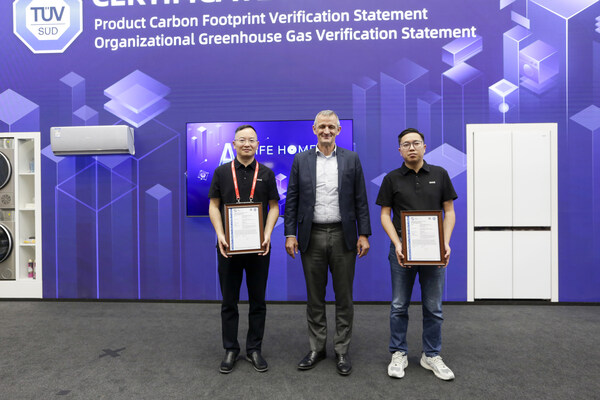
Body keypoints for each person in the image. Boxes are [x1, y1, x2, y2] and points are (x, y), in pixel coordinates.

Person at [284, 110, 371, 376]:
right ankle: (317, 348)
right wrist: (290, 234)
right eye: (322, 126)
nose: (326, 131)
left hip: (344, 235)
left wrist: (364, 234)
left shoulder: (351, 159)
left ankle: (342, 350)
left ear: (338, 130)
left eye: (331, 127)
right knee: (315, 297)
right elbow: (292, 199)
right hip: (311, 235)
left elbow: (360, 199)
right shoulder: (301, 159)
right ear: (314, 129)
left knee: (344, 297)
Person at [375, 128, 457, 381]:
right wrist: (398, 243)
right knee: (399, 306)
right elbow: (385, 215)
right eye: (406, 144)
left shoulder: (440, 174)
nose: (411, 147)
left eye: (416, 143)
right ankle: (398, 352)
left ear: (424, 146)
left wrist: (445, 243)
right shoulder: (392, 178)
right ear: (399, 150)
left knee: (434, 307)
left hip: (434, 252)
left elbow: (449, 212)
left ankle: (431, 355)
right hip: (402, 252)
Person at [208, 125, 280, 374]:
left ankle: (254, 349)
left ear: (257, 144)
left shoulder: (267, 174)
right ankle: (230, 348)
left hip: (259, 248)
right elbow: (214, 206)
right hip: (228, 248)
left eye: (251, 140)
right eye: (242, 140)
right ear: (234, 144)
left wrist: (267, 234)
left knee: (258, 301)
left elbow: (274, 207)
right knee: (229, 301)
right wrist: (220, 235)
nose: (246, 144)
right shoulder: (221, 172)